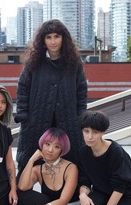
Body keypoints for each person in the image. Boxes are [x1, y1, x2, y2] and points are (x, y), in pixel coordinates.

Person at [14, 19, 88, 178]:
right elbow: (23, 88)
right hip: (36, 119)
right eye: (48, 37)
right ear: (43, 41)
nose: (53, 41)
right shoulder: (34, 63)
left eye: (57, 36)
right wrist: (23, 115)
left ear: (64, 38)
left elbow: (81, 90)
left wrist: (81, 116)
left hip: (68, 119)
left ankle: (74, 193)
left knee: (73, 155)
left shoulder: (74, 63)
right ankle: (22, 193)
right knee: (30, 155)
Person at [77, 110, 131, 205]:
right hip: (103, 193)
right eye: (86, 131)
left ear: (103, 132)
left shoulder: (116, 152)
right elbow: (85, 181)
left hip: (125, 196)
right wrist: (83, 195)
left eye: (95, 132)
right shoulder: (83, 152)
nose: (90, 136)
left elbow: (120, 187)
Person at [10, 127, 83, 205]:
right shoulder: (38, 169)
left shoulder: (70, 168)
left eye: (57, 146)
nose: (50, 150)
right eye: (47, 144)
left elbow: (63, 201)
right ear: (42, 145)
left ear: (62, 150)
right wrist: (31, 160)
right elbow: (22, 187)